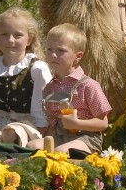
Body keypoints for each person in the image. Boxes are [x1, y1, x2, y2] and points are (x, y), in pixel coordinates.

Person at [26, 23, 111, 154]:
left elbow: (103, 123)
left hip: (86, 137)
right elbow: (52, 121)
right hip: (59, 136)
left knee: (61, 152)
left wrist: (76, 123)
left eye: (61, 50)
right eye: (49, 49)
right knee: (32, 147)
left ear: (78, 56)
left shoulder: (88, 85)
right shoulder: (50, 87)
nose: (53, 55)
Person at [0, 8, 53, 146]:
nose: (10, 40)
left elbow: (42, 107)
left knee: (11, 132)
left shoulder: (36, 69)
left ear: (29, 40)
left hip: (27, 128)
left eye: (17, 35)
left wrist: (41, 134)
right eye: (4, 34)